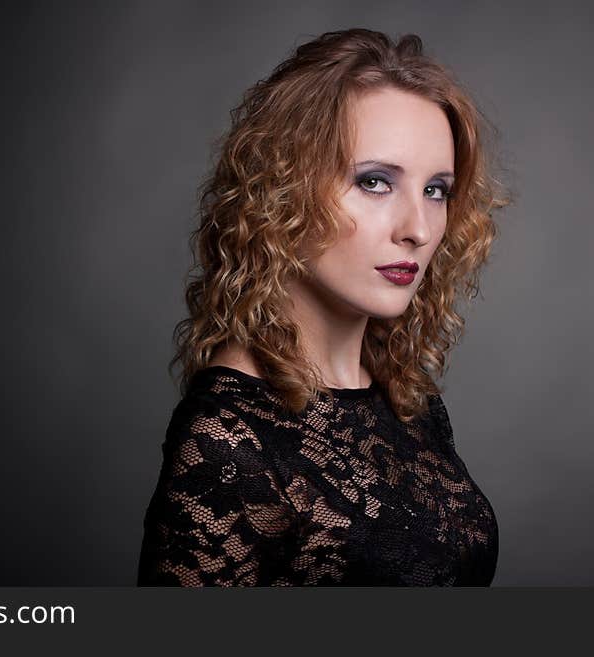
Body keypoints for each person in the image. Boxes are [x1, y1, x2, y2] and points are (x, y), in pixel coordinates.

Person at [136, 28, 511, 586]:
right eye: (375, 182)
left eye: (437, 190)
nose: (418, 229)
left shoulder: (405, 399)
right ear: (281, 192)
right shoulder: (229, 440)